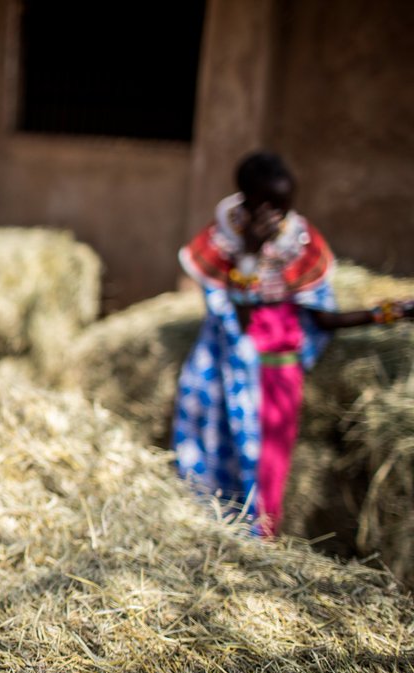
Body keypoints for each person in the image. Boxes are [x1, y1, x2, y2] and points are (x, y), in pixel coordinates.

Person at [173, 151, 414, 536]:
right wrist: (249, 256)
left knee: (267, 462)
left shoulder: (299, 242)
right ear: (249, 200)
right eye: (268, 205)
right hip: (222, 371)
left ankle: (256, 539)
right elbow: (236, 320)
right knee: (213, 446)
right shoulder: (223, 242)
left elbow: (323, 317)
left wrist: (391, 312)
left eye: (285, 206)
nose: (278, 214)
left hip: (278, 371)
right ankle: (204, 529)